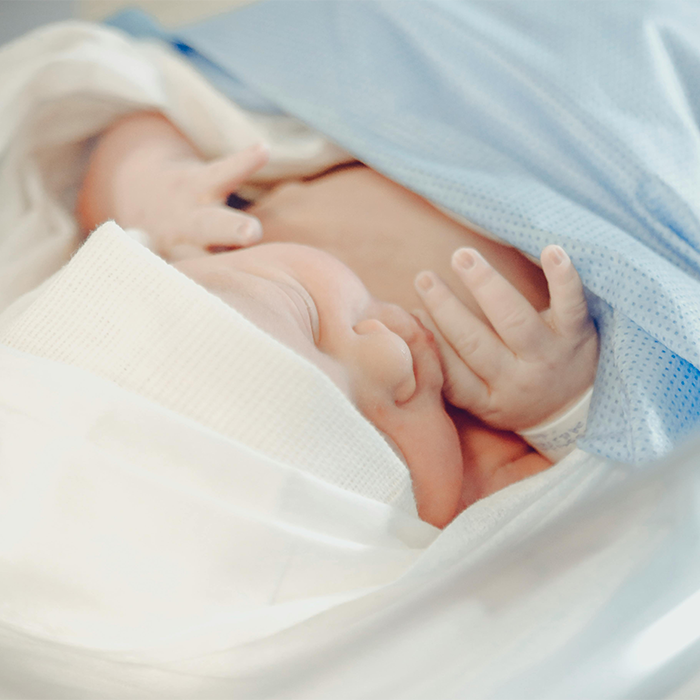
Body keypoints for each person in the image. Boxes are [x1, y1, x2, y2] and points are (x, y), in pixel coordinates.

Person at [76, 111, 598, 527]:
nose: (389, 356)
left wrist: (151, 191)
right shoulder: (467, 482)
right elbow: (594, 507)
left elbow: (133, 112)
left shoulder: (205, 249)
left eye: (307, 316)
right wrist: (558, 412)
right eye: (380, 445)